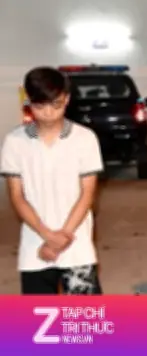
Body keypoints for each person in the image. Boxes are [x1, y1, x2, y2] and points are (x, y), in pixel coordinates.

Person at [0, 67, 104, 294]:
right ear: (28, 101)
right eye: (40, 105)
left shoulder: (84, 139)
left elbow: (87, 194)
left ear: (66, 99)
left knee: (84, 316)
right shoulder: (14, 142)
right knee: (38, 315)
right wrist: (47, 236)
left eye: (55, 104)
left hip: (77, 245)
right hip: (35, 247)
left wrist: (62, 238)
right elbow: (17, 196)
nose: (48, 112)